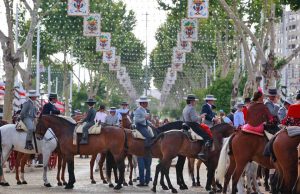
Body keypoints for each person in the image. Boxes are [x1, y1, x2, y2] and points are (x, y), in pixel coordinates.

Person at [182, 94, 212, 161]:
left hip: (186, 124)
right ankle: (203, 152)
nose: (195, 102)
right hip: (193, 125)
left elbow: (184, 118)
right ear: (191, 101)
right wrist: (201, 116)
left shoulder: (185, 108)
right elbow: (194, 119)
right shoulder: (191, 108)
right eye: (194, 101)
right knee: (207, 136)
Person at [134, 96, 152, 187]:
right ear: (141, 103)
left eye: (147, 102)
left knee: (153, 133)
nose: (147, 104)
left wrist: (150, 123)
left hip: (145, 126)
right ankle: (146, 146)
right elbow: (137, 120)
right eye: (145, 102)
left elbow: (146, 121)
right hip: (139, 127)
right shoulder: (138, 110)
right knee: (148, 136)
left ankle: (147, 179)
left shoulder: (144, 110)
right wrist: (145, 118)